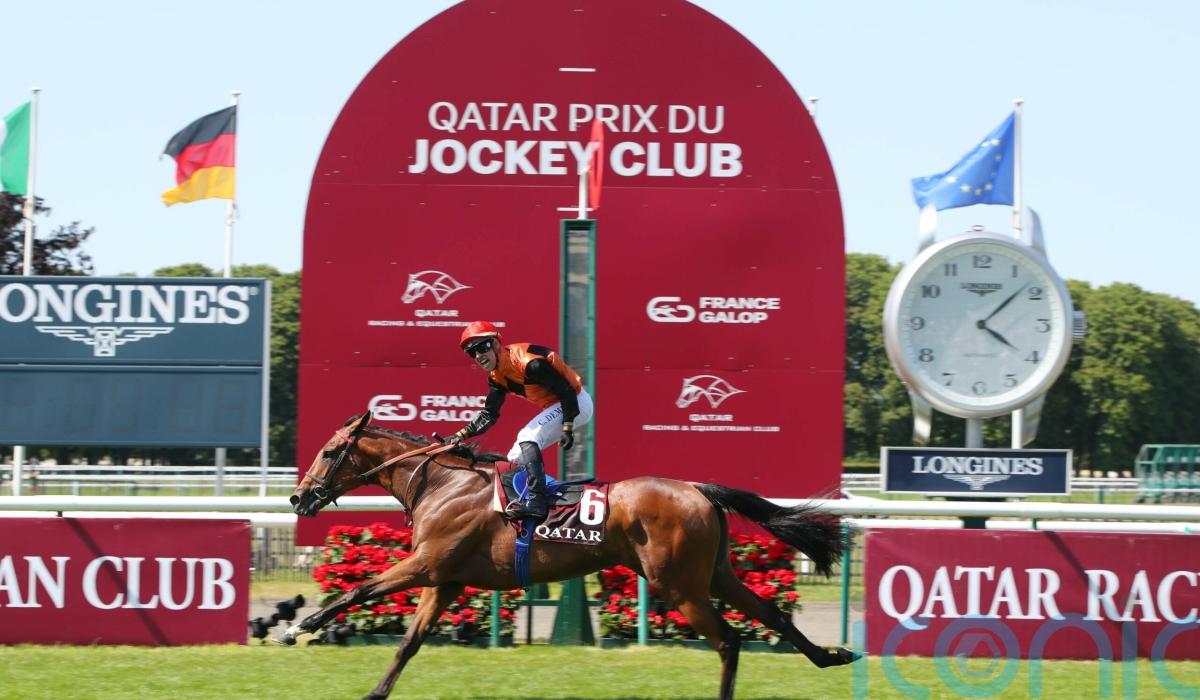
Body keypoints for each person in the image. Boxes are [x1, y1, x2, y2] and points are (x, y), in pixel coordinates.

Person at [448, 320, 593, 520]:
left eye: (482, 348)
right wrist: (459, 435)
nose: (478, 356)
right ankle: (546, 499)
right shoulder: (497, 377)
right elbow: (489, 415)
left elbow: (566, 391)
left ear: (496, 344)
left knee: (527, 436)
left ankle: (537, 502)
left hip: (575, 402)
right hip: (562, 404)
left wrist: (567, 426)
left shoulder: (531, 364)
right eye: (472, 353)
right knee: (515, 459)